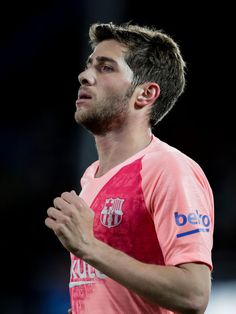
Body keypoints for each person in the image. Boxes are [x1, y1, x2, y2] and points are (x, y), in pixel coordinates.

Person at [45, 22, 214, 314]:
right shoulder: (91, 176)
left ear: (145, 94)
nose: (84, 76)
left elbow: (194, 294)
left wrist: (90, 246)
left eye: (106, 68)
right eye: (89, 66)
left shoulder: (167, 168)